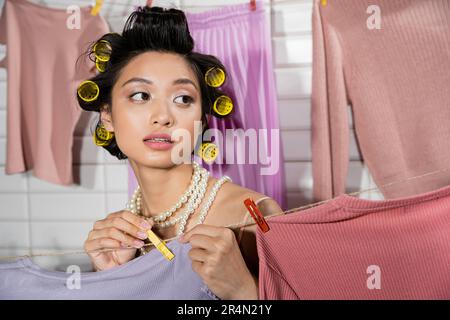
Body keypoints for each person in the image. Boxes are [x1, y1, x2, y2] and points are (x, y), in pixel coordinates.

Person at [78, 6, 282, 300]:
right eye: (140, 95)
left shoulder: (253, 215)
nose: (163, 116)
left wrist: (244, 291)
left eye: (183, 98)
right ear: (107, 114)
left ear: (201, 118)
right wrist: (110, 278)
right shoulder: (118, 236)